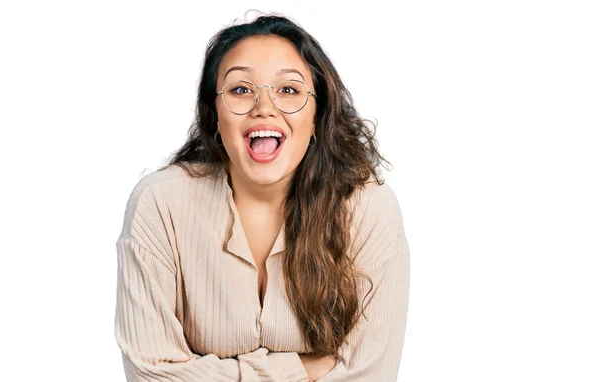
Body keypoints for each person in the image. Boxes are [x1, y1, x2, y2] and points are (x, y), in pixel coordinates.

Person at [114, 12, 410, 382]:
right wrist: (301, 369)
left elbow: (371, 374)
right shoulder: (159, 205)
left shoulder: (368, 208)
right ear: (214, 112)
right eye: (241, 89)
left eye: (289, 89)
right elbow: (149, 374)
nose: (264, 107)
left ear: (317, 115)